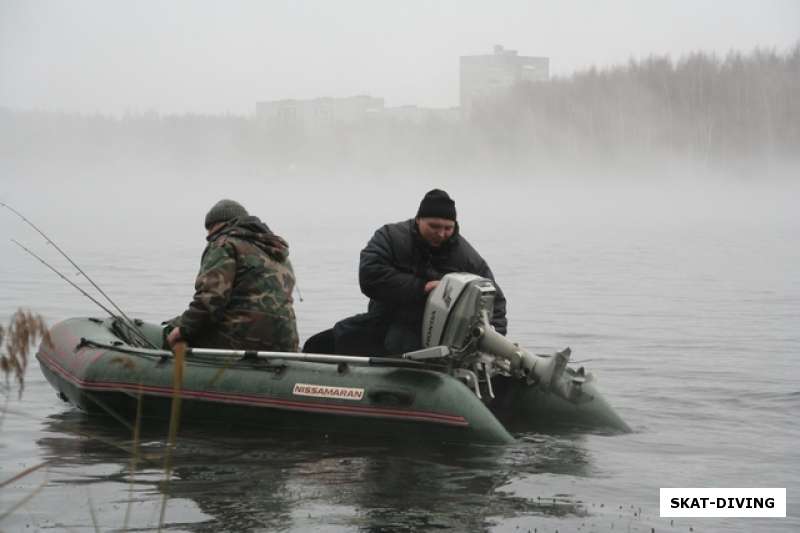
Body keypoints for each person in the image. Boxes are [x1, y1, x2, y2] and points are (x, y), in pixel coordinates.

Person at [304, 189, 506, 355]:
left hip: (437, 339)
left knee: (400, 342)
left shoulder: (468, 258)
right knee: (319, 344)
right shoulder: (390, 237)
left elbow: (494, 299)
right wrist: (422, 287)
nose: (441, 234)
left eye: (448, 228)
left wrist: (492, 339)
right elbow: (370, 275)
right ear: (418, 219)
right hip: (382, 321)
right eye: (434, 226)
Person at [166, 199, 299, 352]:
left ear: (219, 224)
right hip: (286, 342)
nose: (208, 235)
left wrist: (182, 329)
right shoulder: (277, 250)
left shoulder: (224, 244)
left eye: (209, 228)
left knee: (173, 335)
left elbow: (210, 300)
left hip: (241, 340)